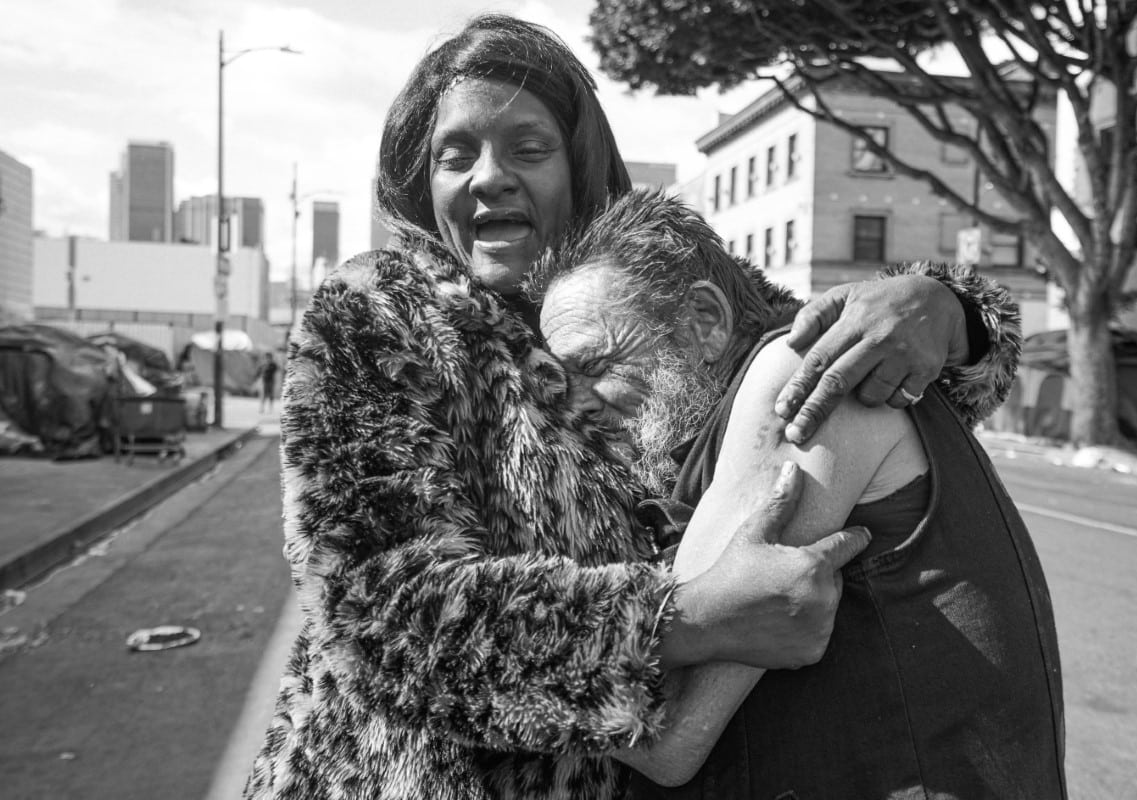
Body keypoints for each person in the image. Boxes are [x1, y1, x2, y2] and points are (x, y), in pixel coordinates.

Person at [243, 14, 1020, 800]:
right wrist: (678, 623)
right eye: (456, 154)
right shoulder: (377, 315)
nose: (488, 176)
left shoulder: (641, 285)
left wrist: (951, 313)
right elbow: (379, 612)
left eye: (528, 147)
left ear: (579, 164)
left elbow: (832, 366)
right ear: (422, 181)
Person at [529, 189, 1065, 798]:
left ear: (704, 322)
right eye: (561, 381)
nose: (578, 403)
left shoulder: (800, 373)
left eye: (595, 363)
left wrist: (466, 667)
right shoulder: (710, 427)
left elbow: (664, 732)